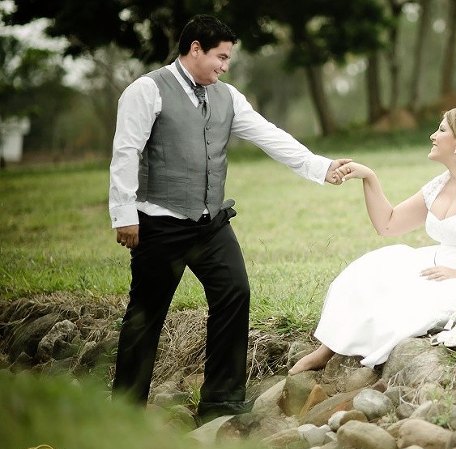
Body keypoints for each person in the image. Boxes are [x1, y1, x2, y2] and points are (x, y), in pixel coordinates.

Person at [108, 14, 349, 420]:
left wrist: (320, 167)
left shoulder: (227, 96)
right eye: (220, 57)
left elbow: (269, 135)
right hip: (159, 225)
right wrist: (123, 212)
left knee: (234, 294)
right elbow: (126, 151)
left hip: (210, 224)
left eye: (228, 59)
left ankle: (220, 401)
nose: (224, 66)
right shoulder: (146, 89)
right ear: (195, 49)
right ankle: (126, 410)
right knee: (146, 314)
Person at [289, 108, 456, 374]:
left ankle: (353, 355)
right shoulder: (438, 185)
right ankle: (326, 349)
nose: (432, 135)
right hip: (436, 263)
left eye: (441, 130)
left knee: (412, 299)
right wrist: (369, 177)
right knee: (370, 270)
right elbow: (389, 223)